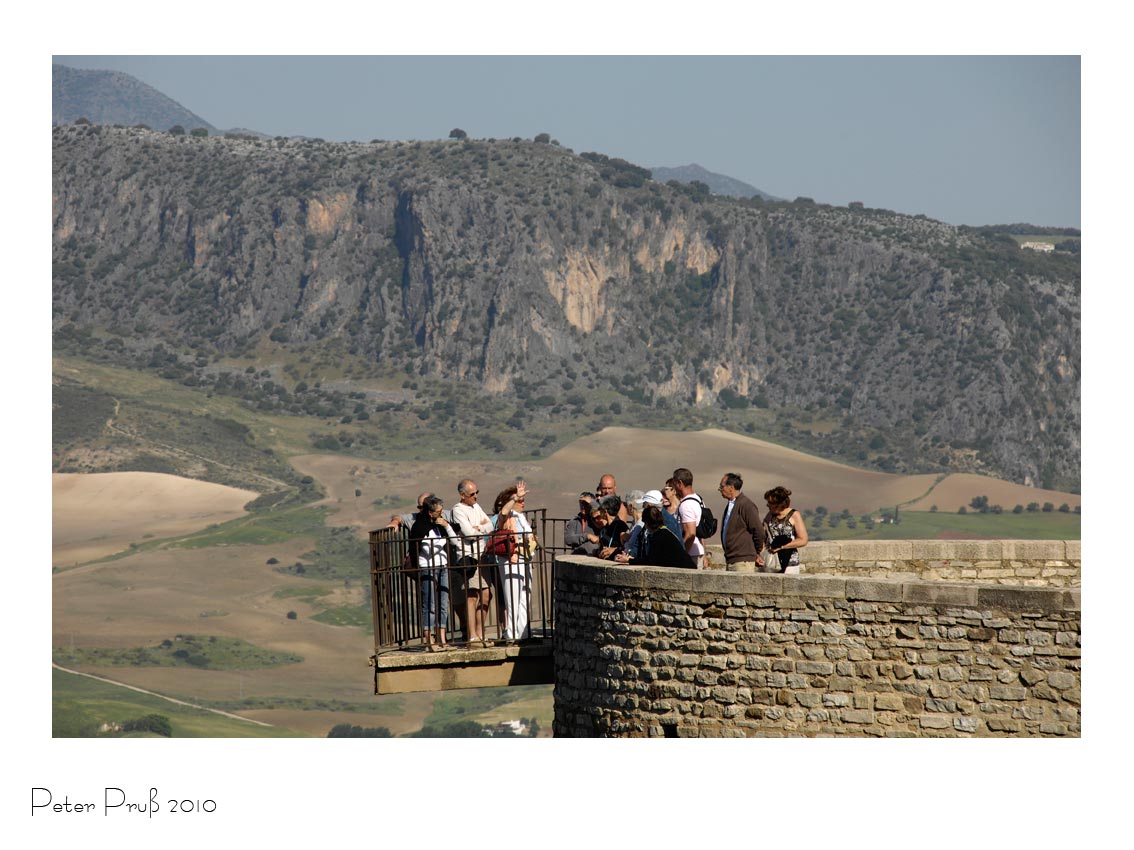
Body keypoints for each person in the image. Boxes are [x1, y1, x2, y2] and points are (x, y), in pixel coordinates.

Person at [408, 495, 457, 651]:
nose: (441, 514)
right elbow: (427, 550)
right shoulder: (420, 526)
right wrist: (442, 542)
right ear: (430, 512)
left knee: (443, 603)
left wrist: (447, 526)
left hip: (442, 564)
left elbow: (455, 540)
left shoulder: (439, 524)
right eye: (438, 512)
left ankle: (442, 639)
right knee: (429, 604)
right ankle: (430, 641)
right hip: (427, 566)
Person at [451, 478, 495, 647]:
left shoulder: (476, 507)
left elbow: (490, 525)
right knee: (472, 596)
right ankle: (473, 636)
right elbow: (468, 534)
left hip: (482, 554)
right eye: (472, 494)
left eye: (477, 492)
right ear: (462, 495)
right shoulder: (458, 510)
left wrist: (479, 528)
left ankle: (480, 632)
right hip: (470, 557)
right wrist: (479, 527)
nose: (476, 496)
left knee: (485, 595)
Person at [492, 483, 536, 643]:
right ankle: (511, 633)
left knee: (525, 596)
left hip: (525, 560)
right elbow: (503, 511)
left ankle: (522, 632)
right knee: (513, 597)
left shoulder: (521, 517)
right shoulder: (507, 515)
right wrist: (514, 498)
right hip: (512, 561)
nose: (523, 503)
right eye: (520, 500)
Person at [617, 505, 694, 568]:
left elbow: (651, 560)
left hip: (686, 570)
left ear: (647, 523)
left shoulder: (659, 536)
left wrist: (629, 560)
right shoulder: (663, 532)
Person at [718, 472, 765, 572]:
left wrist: (756, 552)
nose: (719, 489)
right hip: (732, 560)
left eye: (722, 486)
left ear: (730, 487)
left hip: (742, 562)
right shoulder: (731, 505)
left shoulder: (746, 505)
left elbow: (759, 531)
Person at [763, 485, 808, 574]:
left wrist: (782, 547)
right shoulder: (770, 516)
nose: (767, 505)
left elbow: (803, 540)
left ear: (778, 504)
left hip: (789, 562)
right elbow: (762, 534)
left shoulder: (794, 515)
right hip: (772, 561)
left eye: (770, 503)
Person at [672, 467, 706, 568]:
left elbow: (691, 534)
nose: (673, 487)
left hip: (691, 555)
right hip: (697, 551)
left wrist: (682, 554)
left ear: (680, 483)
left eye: (674, 484)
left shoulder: (687, 505)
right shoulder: (698, 499)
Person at [596, 494, 629, 559]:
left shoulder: (621, 526)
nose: (599, 512)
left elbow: (629, 547)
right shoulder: (604, 528)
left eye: (600, 509)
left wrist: (614, 550)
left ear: (605, 511)